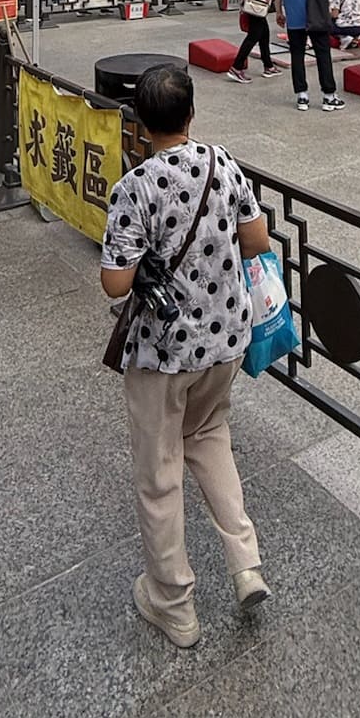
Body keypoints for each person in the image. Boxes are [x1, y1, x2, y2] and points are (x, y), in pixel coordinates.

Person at [99, 63, 268, 648]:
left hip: (165, 353)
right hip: (227, 341)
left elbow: (115, 284)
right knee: (210, 437)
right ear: (192, 112)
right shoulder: (224, 163)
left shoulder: (136, 187)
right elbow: (257, 241)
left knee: (159, 472)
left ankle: (173, 603)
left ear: (140, 124)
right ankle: (245, 564)